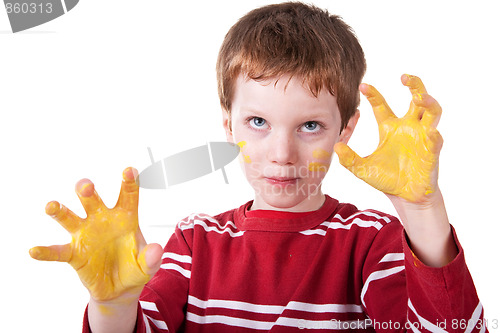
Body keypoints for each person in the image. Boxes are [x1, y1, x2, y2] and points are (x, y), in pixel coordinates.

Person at [30, 2, 487, 332]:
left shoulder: (373, 242)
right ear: (228, 124)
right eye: (258, 122)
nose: (281, 153)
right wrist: (111, 307)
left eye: (310, 125)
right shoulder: (194, 243)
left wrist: (423, 211)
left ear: (345, 129)